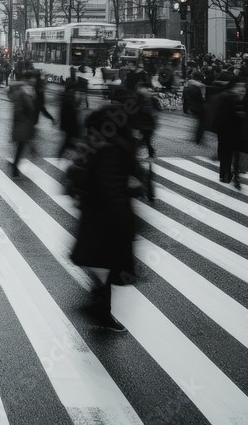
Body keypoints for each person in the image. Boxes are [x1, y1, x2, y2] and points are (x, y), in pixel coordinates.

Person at [71, 105, 149, 332]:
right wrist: (126, 220)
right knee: (111, 263)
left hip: (97, 215)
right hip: (108, 218)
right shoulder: (112, 148)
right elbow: (111, 187)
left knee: (105, 264)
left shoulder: (100, 143)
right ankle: (100, 309)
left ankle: (100, 307)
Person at [212, 80, 248, 189]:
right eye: (240, 87)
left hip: (222, 130)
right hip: (234, 131)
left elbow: (216, 113)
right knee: (235, 155)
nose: (242, 89)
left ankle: (224, 175)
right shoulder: (235, 98)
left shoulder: (221, 96)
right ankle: (235, 177)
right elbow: (239, 114)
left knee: (224, 154)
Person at [9, 76, 38, 178]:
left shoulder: (16, 93)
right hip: (24, 122)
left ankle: (15, 166)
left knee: (21, 145)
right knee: (22, 145)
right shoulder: (24, 93)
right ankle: (14, 168)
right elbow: (30, 107)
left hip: (19, 122)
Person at [57, 76, 81, 159]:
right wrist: (79, 101)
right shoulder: (70, 95)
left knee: (69, 140)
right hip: (70, 123)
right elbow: (73, 107)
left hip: (67, 122)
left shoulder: (66, 94)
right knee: (69, 140)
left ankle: (61, 154)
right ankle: (61, 155)